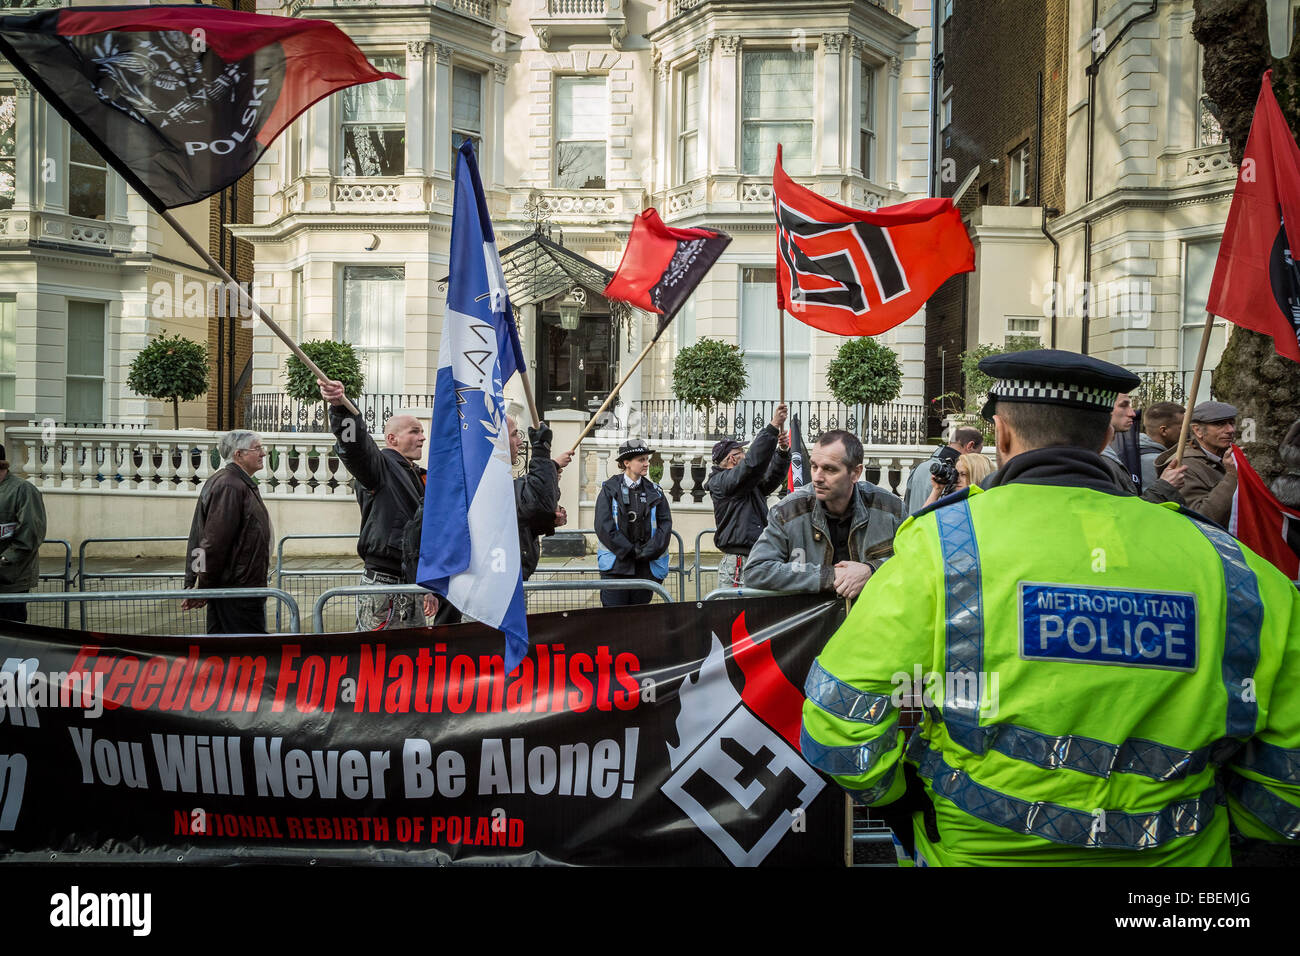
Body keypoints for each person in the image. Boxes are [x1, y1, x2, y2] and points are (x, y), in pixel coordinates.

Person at [800, 349, 1300, 866]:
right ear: (1107, 434)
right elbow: (1289, 781)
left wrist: (900, 802)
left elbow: (837, 721)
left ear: (1002, 435)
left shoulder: (943, 546)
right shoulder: (1234, 567)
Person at [320, 378, 438, 629]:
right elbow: (354, 447)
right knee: (377, 661)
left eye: (422, 432)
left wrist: (426, 585)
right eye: (414, 431)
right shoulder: (379, 468)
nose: (422, 438)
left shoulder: (417, 474)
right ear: (392, 438)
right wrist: (341, 407)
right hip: (384, 587)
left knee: (411, 661)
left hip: (411, 584)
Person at [743, 430, 903, 598]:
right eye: (814, 466)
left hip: (871, 621)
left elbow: (915, 562)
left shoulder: (890, 509)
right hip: (813, 622)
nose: (817, 477)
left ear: (856, 473)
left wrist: (871, 570)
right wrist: (828, 576)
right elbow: (756, 570)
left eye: (829, 469)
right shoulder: (787, 511)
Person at [181, 431, 272, 634]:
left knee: (227, 650)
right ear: (238, 455)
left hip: (238, 588)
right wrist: (201, 586)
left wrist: (199, 583)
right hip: (236, 591)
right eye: (257, 449)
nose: (263, 454)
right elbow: (211, 543)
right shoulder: (229, 485)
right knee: (244, 653)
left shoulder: (236, 482)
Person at [707, 402, 791, 588]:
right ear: (732, 459)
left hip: (757, 556)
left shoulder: (745, 484)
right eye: (741, 452)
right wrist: (772, 427)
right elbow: (753, 463)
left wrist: (782, 452)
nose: (745, 455)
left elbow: (770, 478)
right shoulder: (721, 483)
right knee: (735, 615)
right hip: (739, 561)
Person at [594, 439, 672, 607]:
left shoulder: (655, 491)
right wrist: (630, 551)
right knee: (615, 618)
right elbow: (604, 526)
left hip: (644, 569)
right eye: (641, 460)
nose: (647, 464)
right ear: (626, 463)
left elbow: (665, 525)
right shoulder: (609, 489)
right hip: (616, 568)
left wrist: (647, 552)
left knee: (639, 621)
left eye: (647, 459)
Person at [1155, 401, 1239, 527]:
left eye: (1231, 423)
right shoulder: (1185, 466)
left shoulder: (1228, 457)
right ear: (1197, 430)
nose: (1230, 430)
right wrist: (1231, 476)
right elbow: (1199, 517)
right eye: (1220, 424)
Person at [1099, 392, 1184, 503]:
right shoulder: (1100, 460)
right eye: (1123, 405)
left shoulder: (1116, 452)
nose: (1132, 413)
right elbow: (1125, 513)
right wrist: (1165, 486)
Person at [0, 443, 46, 623]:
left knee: (11, 631)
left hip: (12, 581)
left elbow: (31, 534)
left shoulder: (22, 490)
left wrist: (4, 561)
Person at [904, 427, 984, 516]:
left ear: (950, 443)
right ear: (970, 446)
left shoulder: (919, 467)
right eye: (978, 453)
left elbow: (906, 508)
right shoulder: (954, 474)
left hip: (915, 527)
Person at [919, 451, 993, 509]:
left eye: (963, 474)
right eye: (956, 474)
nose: (956, 479)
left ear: (977, 475)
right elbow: (921, 523)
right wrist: (937, 490)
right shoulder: (956, 502)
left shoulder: (989, 504)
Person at [1138, 400, 1184, 492]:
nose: (1186, 432)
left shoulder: (1135, 449)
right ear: (1164, 430)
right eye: (1182, 427)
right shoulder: (1155, 462)